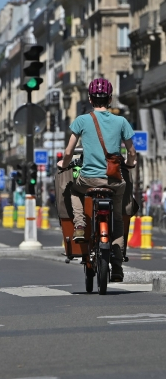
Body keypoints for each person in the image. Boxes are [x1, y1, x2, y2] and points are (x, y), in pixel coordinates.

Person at [57, 78, 136, 282]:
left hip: (88, 181)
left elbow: (69, 151)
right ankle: (117, 266)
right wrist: (130, 164)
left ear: (90, 99)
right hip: (113, 182)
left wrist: (62, 164)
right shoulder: (121, 122)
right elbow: (132, 152)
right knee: (117, 220)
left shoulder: (82, 121)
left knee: (74, 190)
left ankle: (80, 225)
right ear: (110, 99)